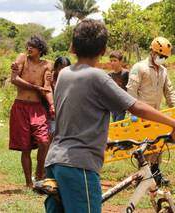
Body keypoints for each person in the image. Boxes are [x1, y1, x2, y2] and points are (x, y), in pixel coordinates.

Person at [44, 19, 175, 213]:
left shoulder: (64, 74)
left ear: (72, 46)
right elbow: (135, 106)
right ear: (103, 50)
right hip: (79, 165)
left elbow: (78, 112)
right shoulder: (98, 77)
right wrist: (172, 122)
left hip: (54, 160)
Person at [127, 36, 175, 186]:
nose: (162, 59)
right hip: (141, 116)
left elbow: (169, 91)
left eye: (165, 57)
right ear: (152, 52)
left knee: (157, 146)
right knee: (143, 147)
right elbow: (131, 92)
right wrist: (132, 113)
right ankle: (142, 177)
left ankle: (155, 173)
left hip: (157, 115)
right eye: (160, 55)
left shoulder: (164, 71)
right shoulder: (139, 67)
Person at [9, 35, 54, 188]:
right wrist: (34, 87)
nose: (29, 49)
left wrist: (52, 105)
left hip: (37, 108)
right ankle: (29, 182)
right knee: (25, 146)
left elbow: (46, 89)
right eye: (28, 46)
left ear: (40, 49)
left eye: (33, 47)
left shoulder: (48, 65)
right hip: (20, 106)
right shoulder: (22, 58)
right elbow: (14, 79)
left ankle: (39, 174)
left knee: (44, 141)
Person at [108, 50, 129, 121]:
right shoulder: (109, 75)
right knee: (114, 124)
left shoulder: (126, 74)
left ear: (120, 61)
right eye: (111, 61)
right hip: (113, 105)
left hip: (122, 105)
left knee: (118, 123)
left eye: (115, 60)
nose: (112, 63)